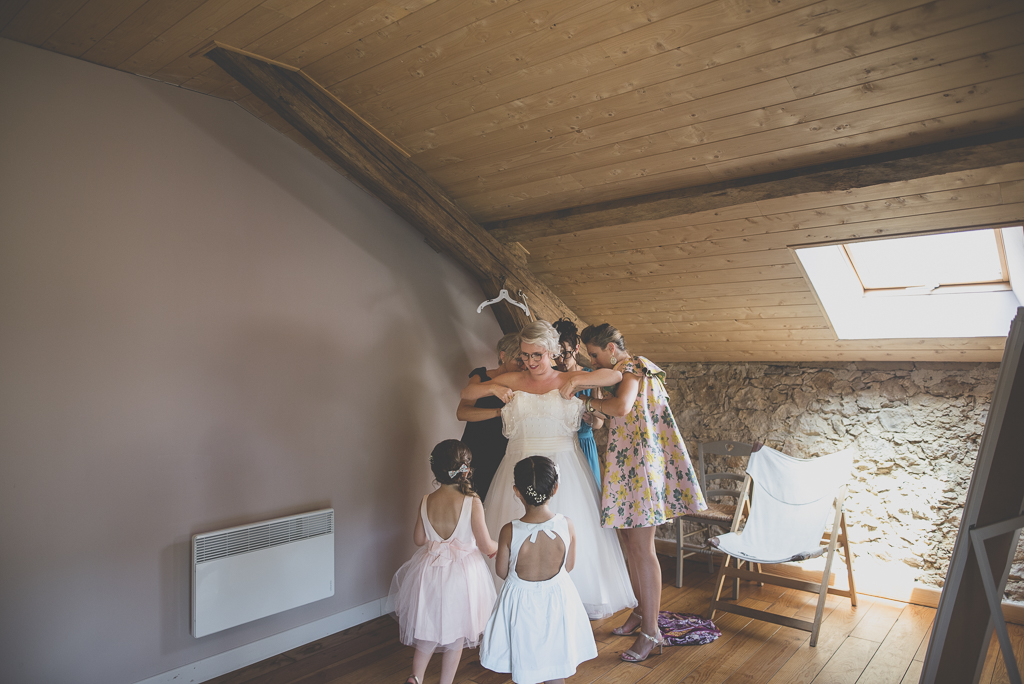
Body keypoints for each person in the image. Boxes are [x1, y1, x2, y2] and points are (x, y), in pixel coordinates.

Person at [462, 320, 635, 619]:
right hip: (517, 467)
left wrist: (575, 381)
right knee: (513, 534)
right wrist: (492, 387)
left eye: (537, 355)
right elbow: (467, 394)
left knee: (564, 536)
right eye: (526, 356)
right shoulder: (514, 379)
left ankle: (564, 603)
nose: (530, 363)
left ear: (553, 351)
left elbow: (615, 374)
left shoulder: (571, 378)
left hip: (564, 468)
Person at [575, 323, 707, 662]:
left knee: (643, 549)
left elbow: (622, 408)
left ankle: (652, 632)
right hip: (626, 465)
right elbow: (610, 415)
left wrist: (584, 394)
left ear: (610, 348)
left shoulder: (632, 366)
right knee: (630, 544)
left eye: (594, 354)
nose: (592, 361)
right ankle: (639, 610)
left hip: (642, 468)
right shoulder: (615, 373)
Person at [386, 440, 499, 684]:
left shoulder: (427, 499)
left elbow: (418, 539)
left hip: (430, 571)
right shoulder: (472, 502)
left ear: (435, 470)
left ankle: (416, 677)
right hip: (463, 576)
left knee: (427, 629)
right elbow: (485, 545)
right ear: (465, 470)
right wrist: (500, 546)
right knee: (457, 635)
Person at [479, 456, 598, 684]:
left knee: (527, 661)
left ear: (517, 491)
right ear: (555, 488)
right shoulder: (567, 524)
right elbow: (569, 565)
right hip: (558, 600)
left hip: (521, 605)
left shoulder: (509, 530)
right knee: (555, 663)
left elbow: (502, 571)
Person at [457, 332, 521, 500]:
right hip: (477, 445)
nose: (523, 366)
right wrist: (498, 413)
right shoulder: (481, 376)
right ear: (503, 356)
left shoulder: (524, 381)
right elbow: (462, 412)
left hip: (506, 448)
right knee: (471, 497)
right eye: (518, 360)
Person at [552, 318, 603, 485]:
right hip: (555, 446)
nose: (560, 360)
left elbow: (599, 422)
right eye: (556, 355)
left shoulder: (590, 376)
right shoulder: (549, 376)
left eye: (565, 353)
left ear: (576, 349)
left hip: (583, 444)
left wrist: (592, 417)